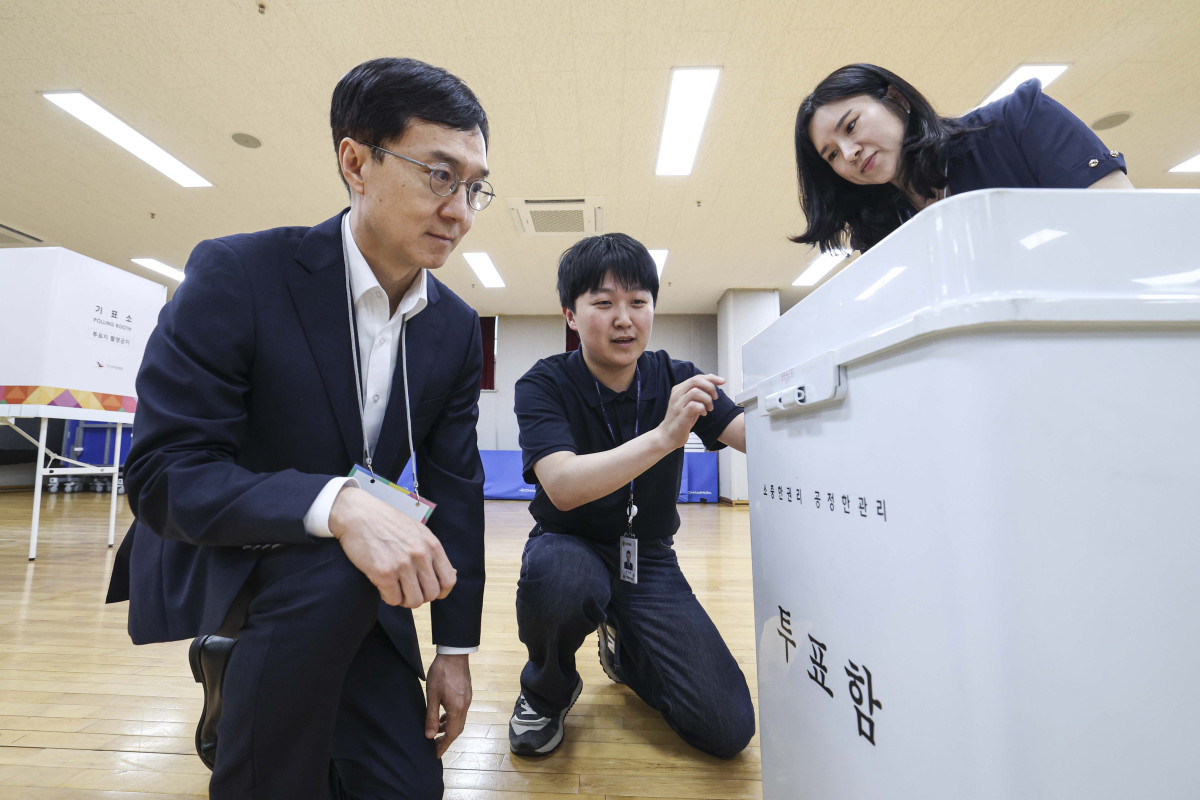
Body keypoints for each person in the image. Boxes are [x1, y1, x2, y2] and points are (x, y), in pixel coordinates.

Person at [105, 57, 493, 799]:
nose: (462, 211)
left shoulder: (452, 328)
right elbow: (164, 474)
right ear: (356, 161)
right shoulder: (239, 274)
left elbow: (458, 489)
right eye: (440, 176)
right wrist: (339, 502)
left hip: (353, 583)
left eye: (475, 186)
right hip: (231, 551)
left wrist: (455, 648)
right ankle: (240, 703)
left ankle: (262, 692)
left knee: (407, 787)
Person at [507, 233, 756, 759]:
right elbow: (564, 486)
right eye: (603, 303)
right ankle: (546, 691)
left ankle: (624, 653)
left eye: (638, 302)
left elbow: (756, 438)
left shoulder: (678, 378)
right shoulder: (544, 383)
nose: (624, 318)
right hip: (567, 544)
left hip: (648, 559)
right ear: (570, 315)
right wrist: (665, 437)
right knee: (561, 579)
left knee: (727, 727)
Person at [791, 63, 1134, 254]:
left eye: (851, 126)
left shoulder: (1018, 120)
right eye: (832, 154)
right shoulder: (880, 229)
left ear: (897, 99)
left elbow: (1128, 224)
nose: (849, 154)